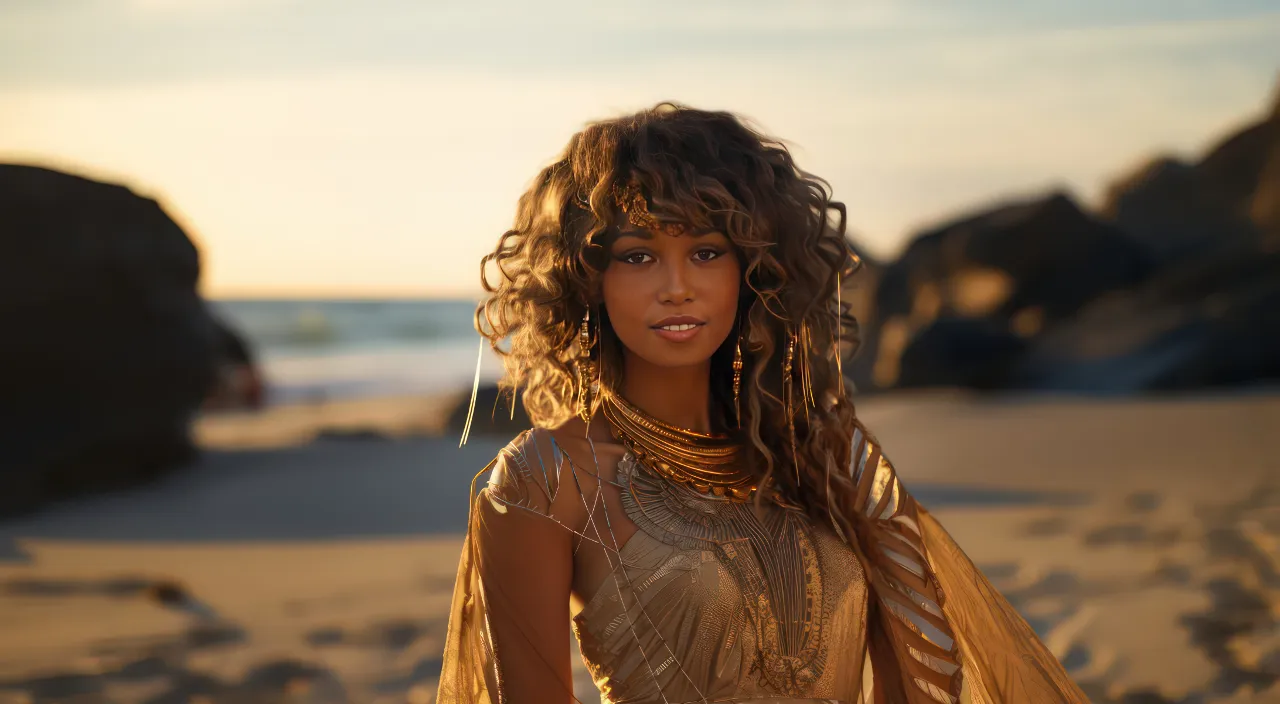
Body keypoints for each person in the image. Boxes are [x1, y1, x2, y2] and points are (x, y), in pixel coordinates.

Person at [438, 103, 1087, 704]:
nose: (677, 287)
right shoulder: (544, 480)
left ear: (754, 270)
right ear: (586, 280)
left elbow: (924, 666)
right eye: (638, 255)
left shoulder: (827, 455)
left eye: (706, 251)